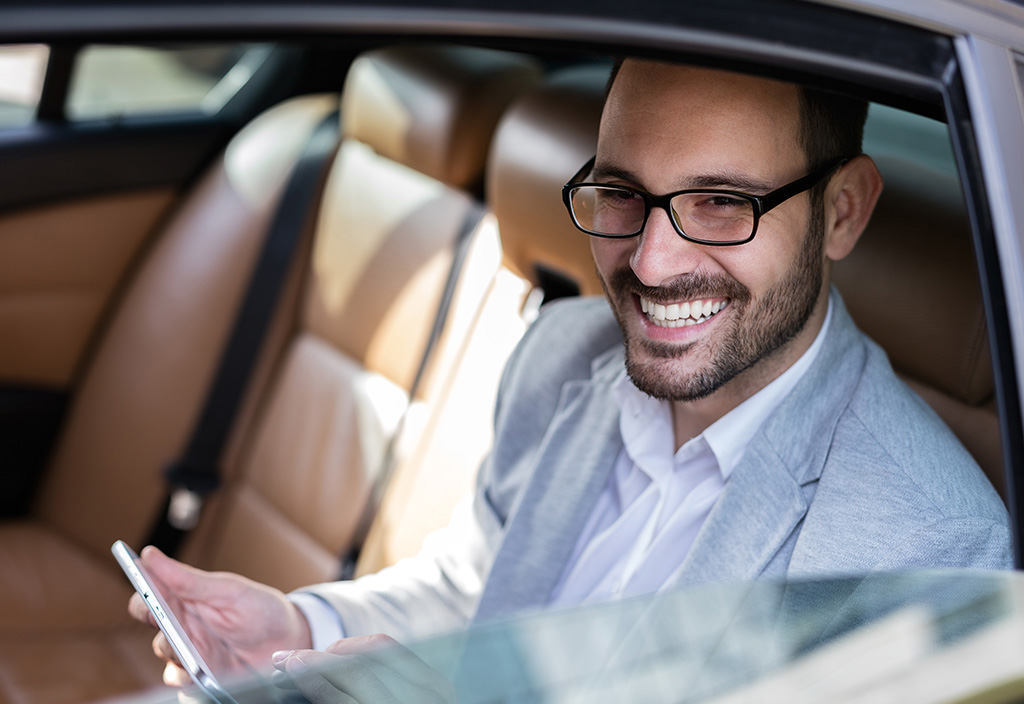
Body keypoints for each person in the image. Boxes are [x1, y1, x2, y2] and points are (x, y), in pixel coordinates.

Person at [130, 58, 1012, 702]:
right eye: (623, 192)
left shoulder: (929, 551)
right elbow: (478, 585)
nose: (653, 262)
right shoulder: (561, 354)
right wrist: (303, 631)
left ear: (843, 211)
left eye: (721, 204)